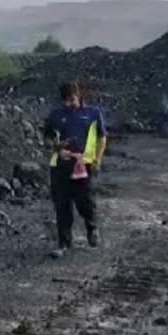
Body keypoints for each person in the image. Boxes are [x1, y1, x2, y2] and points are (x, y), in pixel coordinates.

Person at [43, 81, 107, 258]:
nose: (68, 103)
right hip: (60, 166)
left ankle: (92, 228)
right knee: (62, 205)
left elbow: (102, 138)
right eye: (65, 100)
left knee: (84, 201)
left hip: (83, 165)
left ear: (79, 96)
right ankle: (64, 243)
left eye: (71, 99)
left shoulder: (93, 114)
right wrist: (56, 148)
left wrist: (97, 160)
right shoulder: (56, 115)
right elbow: (47, 137)